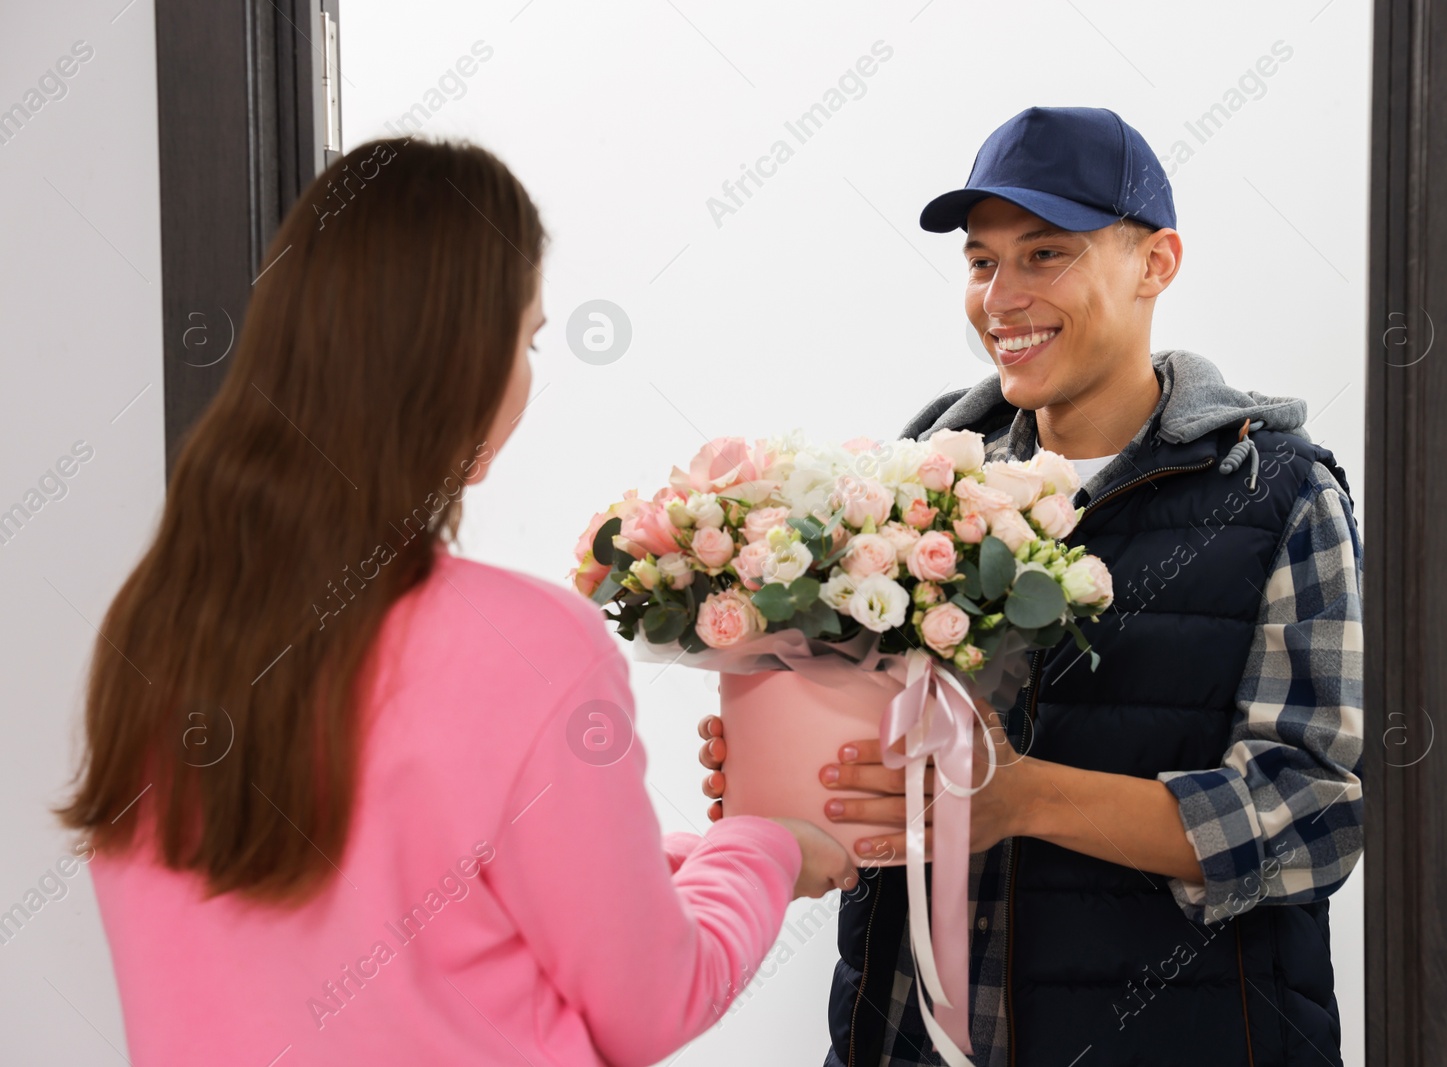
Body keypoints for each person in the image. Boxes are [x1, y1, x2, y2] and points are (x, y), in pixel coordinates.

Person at [58, 137, 854, 1067]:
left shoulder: (154, 631)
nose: (525, 375)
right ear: (460, 356)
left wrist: (667, 863)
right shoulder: (524, 645)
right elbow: (652, 1005)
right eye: (526, 339)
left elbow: (400, 911)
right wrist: (767, 851)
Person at [699, 106, 1364, 1066]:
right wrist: (804, 787)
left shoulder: (1276, 492)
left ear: (1156, 262)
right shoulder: (913, 478)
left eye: (1045, 254)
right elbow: (893, 780)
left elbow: (1314, 811)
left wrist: (1021, 798)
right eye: (981, 263)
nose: (1001, 297)